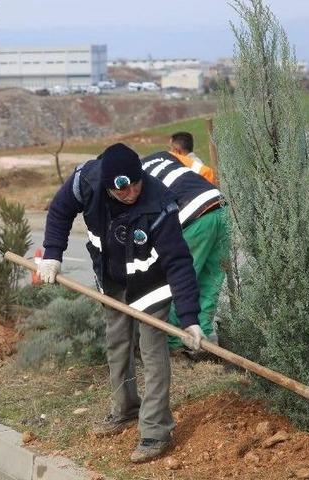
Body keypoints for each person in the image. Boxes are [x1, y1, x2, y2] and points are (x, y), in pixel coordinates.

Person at [37, 143, 203, 463]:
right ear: (108, 185)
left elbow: (179, 263)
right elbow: (59, 211)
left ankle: (156, 430)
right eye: (122, 188)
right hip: (112, 279)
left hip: (151, 283)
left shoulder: (160, 204)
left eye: (136, 183)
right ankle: (125, 408)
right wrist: (52, 255)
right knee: (117, 343)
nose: (132, 192)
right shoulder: (86, 181)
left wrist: (190, 317)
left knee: (152, 350)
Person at [141, 150, 229, 353]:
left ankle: (175, 341)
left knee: (180, 278)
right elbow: (206, 171)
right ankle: (203, 337)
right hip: (220, 205)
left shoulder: (135, 178)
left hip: (191, 214)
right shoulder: (166, 155)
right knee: (211, 279)